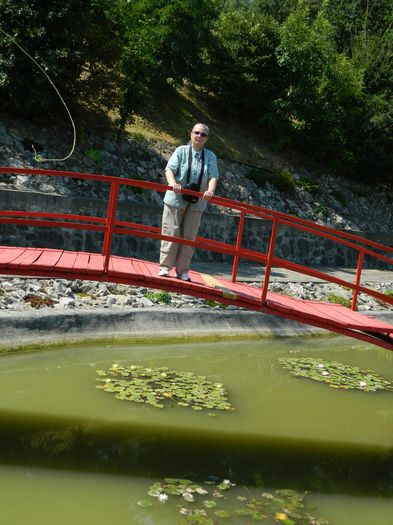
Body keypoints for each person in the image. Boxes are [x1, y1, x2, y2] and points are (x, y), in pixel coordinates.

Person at [158, 123, 219, 281]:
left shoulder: (210, 156)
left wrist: (210, 191)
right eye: (196, 133)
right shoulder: (181, 151)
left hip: (197, 202)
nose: (199, 136)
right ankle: (165, 267)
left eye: (203, 134)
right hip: (175, 199)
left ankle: (183, 271)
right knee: (171, 232)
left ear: (206, 139)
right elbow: (169, 169)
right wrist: (172, 184)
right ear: (191, 134)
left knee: (189, 237)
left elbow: (213, 176)